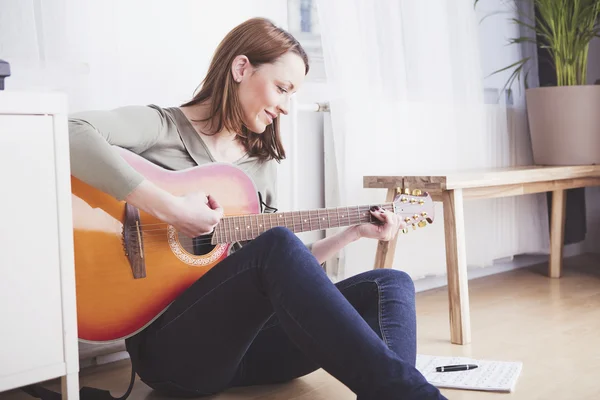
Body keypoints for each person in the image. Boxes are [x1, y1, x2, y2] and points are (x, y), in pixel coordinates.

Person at [67, 17, 447, 400]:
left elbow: (278, 270)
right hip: (176, 356)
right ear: (241, 67)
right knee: (278, 244)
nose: (284, 106)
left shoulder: (259, 167)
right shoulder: (163, 127)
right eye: (281, 88)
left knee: (391, 283)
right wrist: (170, 209)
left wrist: (353, 233)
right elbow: (71, 130)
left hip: (252, 352)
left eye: (292, 95)